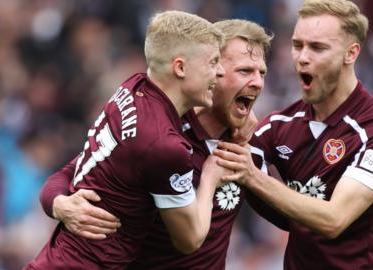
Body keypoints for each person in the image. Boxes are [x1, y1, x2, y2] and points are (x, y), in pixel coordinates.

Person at [37, 19, 285, 270]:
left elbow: (290, 222)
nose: (257, 83)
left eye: (261, 73)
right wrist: (59, 203)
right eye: (244, 71)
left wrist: (251, 173)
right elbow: (74, 170)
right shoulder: (163, 138)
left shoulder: (248, 142)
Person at [211, 0, 373, 269]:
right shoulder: (280, 125)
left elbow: (333, 220)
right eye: (297, 45)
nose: (302, 57)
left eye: (317, 47)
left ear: (351, 53)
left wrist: (252, 176)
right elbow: (232, 159)